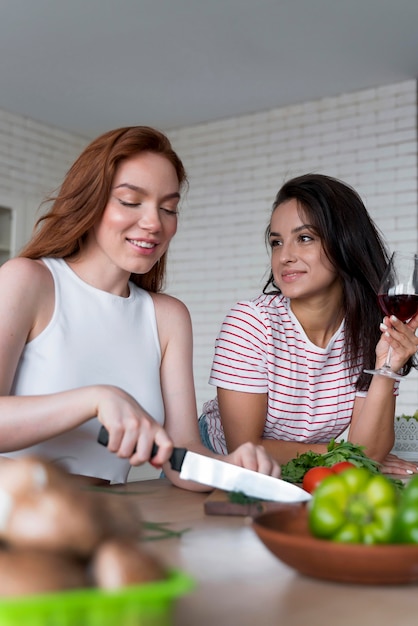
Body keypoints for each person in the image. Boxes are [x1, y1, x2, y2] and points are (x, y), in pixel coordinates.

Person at [0, 126, 280, 489]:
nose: (154, 224)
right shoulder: (28, 281)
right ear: (90, 200)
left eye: (169, 208)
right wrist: (98, 398)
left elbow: (181, 455)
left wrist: (231, 467)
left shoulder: (168, 317)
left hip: (105, 518)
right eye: (131, 201)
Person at [199, 173, 418, 476]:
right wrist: (345, 455)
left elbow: (367, 453)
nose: (285, 256)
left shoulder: (370, 332)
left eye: (304, 238)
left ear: (346, 243)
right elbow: (246, 449)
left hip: (304, 474)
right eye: (276, 242)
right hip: (218, 470)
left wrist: (387, 368)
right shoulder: (251, 324)